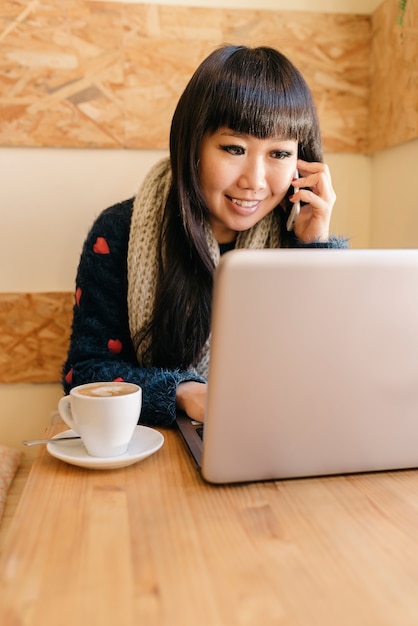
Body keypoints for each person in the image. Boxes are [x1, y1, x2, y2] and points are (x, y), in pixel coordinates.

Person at [62, 44, 347, 425]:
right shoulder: (118, 232)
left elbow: (334, 373)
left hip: (274, 436)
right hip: (155, 448)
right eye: (234, 148)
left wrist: (314, 248)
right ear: (192, 144)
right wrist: (185, 392)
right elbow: (85, 373)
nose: (255, 181)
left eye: (278, 154)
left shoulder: (296, 237)